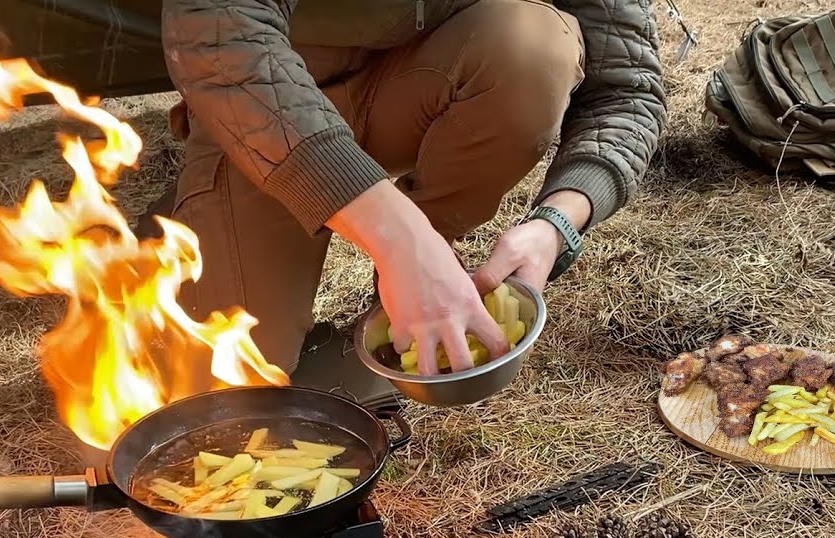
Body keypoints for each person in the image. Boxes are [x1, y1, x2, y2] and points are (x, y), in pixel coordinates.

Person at [156, 0, 666, 377]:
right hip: (264, 110)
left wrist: (556, 223)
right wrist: (397, 235)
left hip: (424, 82)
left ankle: (410, 284)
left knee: (534, 48)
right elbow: (217, 35)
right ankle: (184, 215)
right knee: (228, 380)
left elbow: (626, 92)